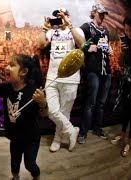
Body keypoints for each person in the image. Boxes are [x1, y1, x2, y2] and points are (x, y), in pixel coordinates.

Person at [0, 54, 47, 180]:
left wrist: (42, 102)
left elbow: (44, 113)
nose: (7, 67)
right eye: (8, 64)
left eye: (12, 65)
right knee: (14, 162)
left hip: (31, 137)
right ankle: (15, 177)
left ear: (24, 72)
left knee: (30, 164)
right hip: (14, 135)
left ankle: (36, 176)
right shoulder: (7, 88)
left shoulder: (34, 91)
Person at [38, 8, 85, 152]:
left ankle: (57, 139)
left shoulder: (76, 30)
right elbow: (41, 45)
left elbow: (82, 45)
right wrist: (44, 27)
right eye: (58, 16)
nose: (60, 18)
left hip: (71, 78)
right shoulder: (52, 32)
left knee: (65, 112)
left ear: (68, 16)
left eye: (62, 15)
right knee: (52, 111)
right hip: (52, 77)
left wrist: (69, 24)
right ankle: (71, 130)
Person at [77, 3, 112, 144]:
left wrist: (110, 49)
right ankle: (83, 132)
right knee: (90, 103)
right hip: (93, 71)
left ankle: (98, 128)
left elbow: (107, 46)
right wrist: (86, 47)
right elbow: (77, 40)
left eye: (104, 14)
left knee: (101, 103)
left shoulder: (106, 30)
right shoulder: (87, 27)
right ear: (94, 12)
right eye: (100, 13)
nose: (102, 16)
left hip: (106, 71)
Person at [111, 17, 131, 157]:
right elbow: (121, 63)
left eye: (130, 30)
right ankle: (122, 134)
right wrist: (121, 51)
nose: (128, 33)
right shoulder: (125, 41)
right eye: (126, 30)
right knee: (126, 108)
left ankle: (129, 141)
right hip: (127, 78)